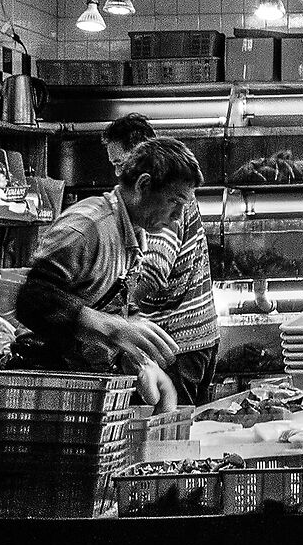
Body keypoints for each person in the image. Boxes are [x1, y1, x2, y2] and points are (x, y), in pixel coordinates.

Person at [12, 136, 202, 412]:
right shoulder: (88, 227)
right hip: (45, 389)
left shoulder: (133, 232)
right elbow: (32, 300)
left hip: (85, 384)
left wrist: (139, 361)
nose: (177, 217)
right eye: (175, 202)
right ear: (144, 185)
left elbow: (110, 303)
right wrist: (110, 328)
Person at [105, 114, 220, 405]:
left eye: (120, 164)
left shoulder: (163, 198)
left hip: (176, 345)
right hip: (193, 338)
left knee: (170, 437)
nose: (119, 174)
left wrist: (111, 314)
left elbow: (155, 270)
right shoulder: (169, 193)